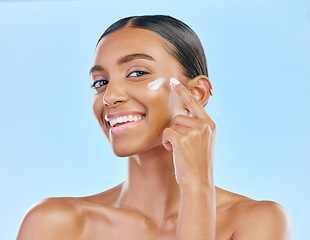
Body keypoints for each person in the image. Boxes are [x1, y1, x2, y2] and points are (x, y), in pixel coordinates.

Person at [16, 15, 291, 240]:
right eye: (100, 82)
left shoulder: (257, 222)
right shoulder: (54, 224)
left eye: (137, 73)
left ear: (196, 92)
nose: (110, 96)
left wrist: (197, 186)